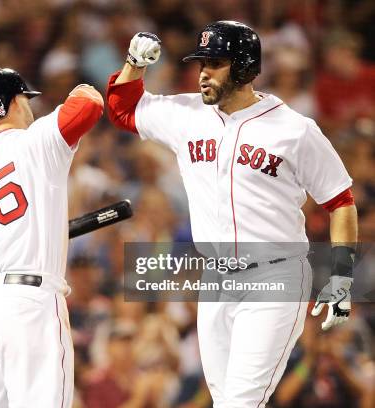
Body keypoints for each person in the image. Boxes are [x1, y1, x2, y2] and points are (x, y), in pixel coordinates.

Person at [106, 22, 358, 407]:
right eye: (201, 62)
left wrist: (342, 276)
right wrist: (134, 64)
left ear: (243, 67)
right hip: (216, 279)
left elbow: (341, 202)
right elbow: (122, 109)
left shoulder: (295, 130)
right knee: (226, 401)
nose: (203, 72)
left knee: (240, 402)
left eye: (215, 63)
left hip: (277, 276)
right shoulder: (186, 114)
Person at [0, 68, 103, 407]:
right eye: (26, 100)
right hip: (27, 306)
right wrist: (84, 84)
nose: (29, 108)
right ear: (16, 101)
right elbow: (89, 104)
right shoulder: (36, 140)